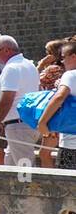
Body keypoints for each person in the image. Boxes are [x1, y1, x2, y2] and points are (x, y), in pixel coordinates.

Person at [0, 36, 42, 167]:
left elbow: (7, 99)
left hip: (18, 126)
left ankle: (29, 188)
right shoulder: (29, 65)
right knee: (11, 168)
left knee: (25, 169)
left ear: (7, 50)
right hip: (24, 123)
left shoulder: (12, 68)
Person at [37, 41, 76, 170]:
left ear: (74, 57)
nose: (62, 62)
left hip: (71, 145)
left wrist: (43, 122)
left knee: (67, 187)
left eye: (64, 57)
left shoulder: (70, 75)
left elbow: (59, 97)